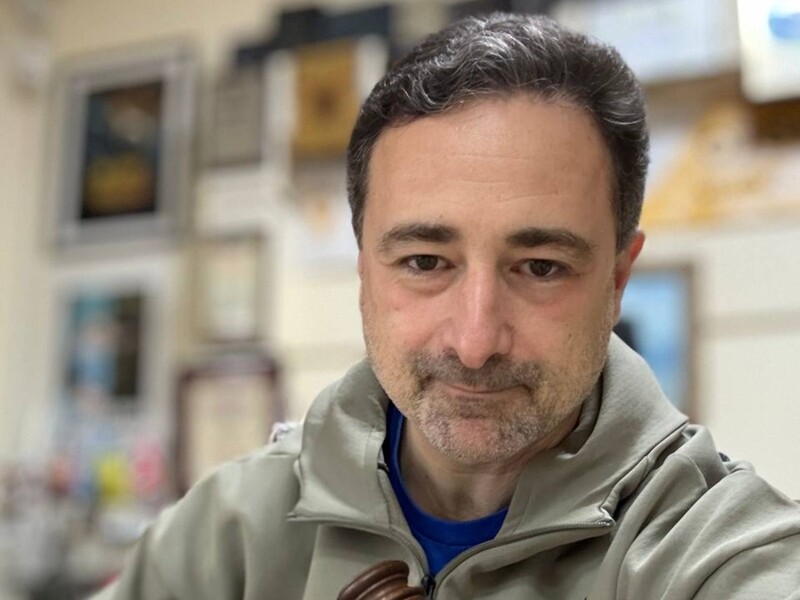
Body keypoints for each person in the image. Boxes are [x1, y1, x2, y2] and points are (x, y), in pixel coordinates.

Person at [95, 13, 800, 599]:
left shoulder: (714, 553)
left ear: (617, 280)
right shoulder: (232, 532)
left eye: (541, 267)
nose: (474, 340)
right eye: (425, 262)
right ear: (364, 270)